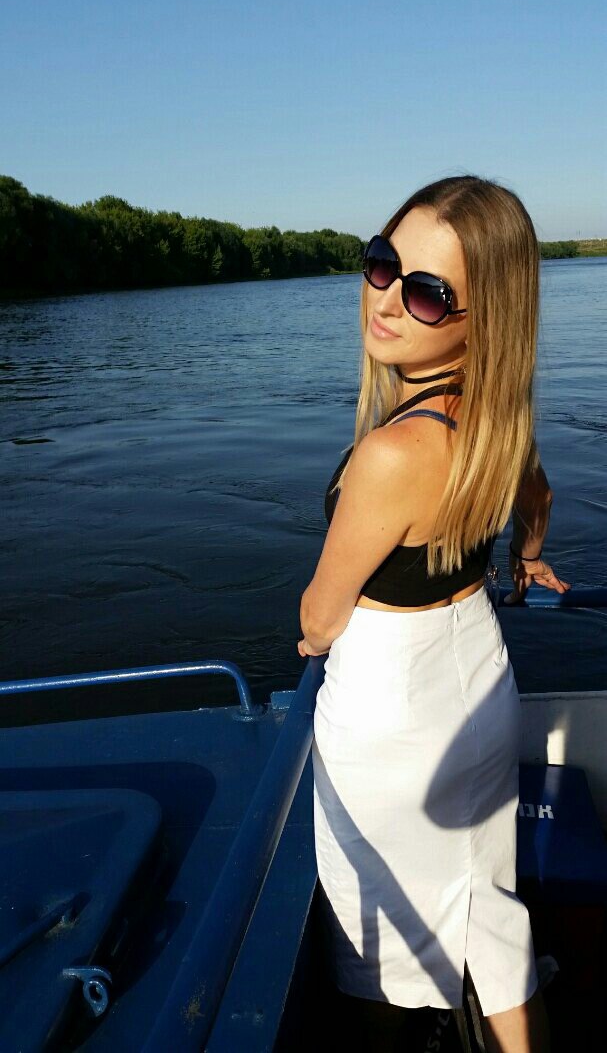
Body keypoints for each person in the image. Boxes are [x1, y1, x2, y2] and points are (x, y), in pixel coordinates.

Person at [298, 175, 571, 1053]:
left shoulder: (392, 453)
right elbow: (537, 499)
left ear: (482, 319)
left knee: (380, 915)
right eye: (382, 264)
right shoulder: (496, 418)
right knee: (483, 900)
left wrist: (307, 635)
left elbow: (320, 615)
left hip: (390, 712)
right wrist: (526, 559)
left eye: (426, 292)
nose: (385, 299)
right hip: (478, 681)